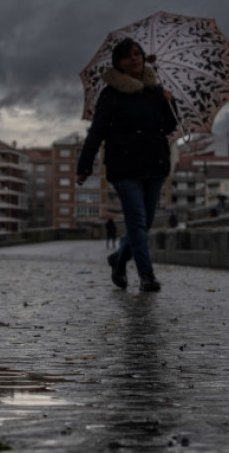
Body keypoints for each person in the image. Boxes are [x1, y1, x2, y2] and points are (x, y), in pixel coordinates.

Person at [76, 37, 178, 292]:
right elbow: (96, 132)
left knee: (145, 222)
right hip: (124, 167)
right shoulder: (110, 95)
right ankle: (147, 275)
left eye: (137, 53)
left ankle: (118, 261)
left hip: (155, 164)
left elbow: (169, 126)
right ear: (118, 63)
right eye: (128, 55)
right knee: (137, 220)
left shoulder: (155, 91)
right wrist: (84, 166)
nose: (134, 58)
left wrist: (169, 101)